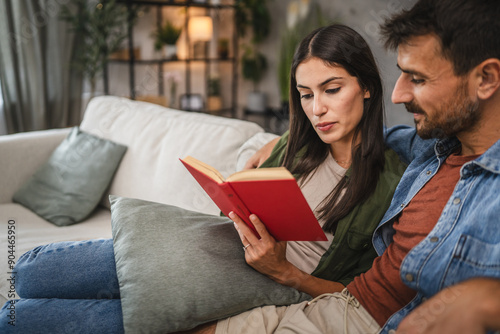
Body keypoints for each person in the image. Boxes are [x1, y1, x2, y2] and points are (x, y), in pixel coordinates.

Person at [0, 24, 406, 333]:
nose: (317, 109)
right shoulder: (299, 143)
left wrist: (287, 273)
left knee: (16, 317)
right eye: (305, 94)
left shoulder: (392, 184)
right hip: (214, 247)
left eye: (331, 89)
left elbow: (364, 297)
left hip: (261, 283)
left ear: (366, 86)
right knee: (30, 272)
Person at [185, 0, 500, 333]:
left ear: (487, 79)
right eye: (306, 95)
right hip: (334, 304)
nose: (397, 94)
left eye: (417, 79)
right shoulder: (430, 146)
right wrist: (278, 141)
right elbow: (365, 135)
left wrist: (480, 300)